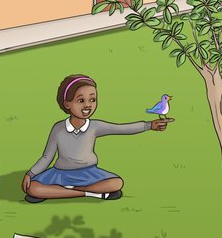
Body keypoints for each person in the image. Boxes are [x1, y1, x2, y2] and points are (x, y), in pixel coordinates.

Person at [22, 75, 173, 203]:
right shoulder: (58, 128)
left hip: (89, 174)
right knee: (33, 188)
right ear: (67, 103)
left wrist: (149, 125)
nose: (88, 105)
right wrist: (31, 173)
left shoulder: (95, 126)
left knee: (116, 183)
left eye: (92, 100)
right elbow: (47, 156)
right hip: (61, 173)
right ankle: (88, 193)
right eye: (81, 101)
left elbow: (121, 129)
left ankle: (65, 192)